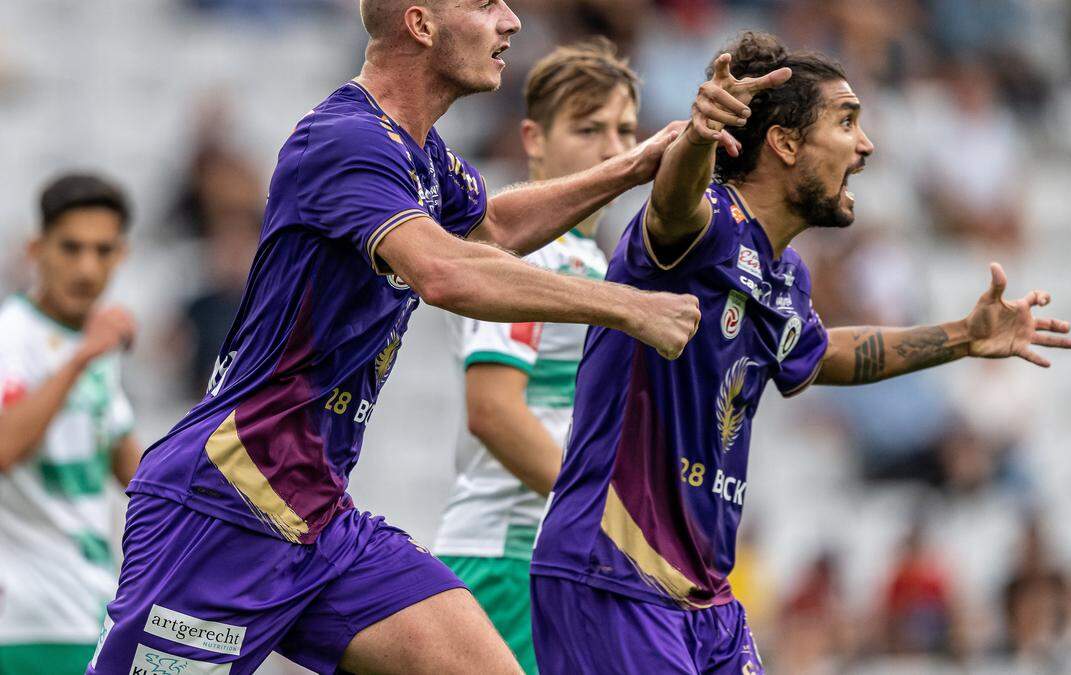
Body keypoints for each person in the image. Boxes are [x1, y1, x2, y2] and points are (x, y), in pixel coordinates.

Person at [89, 1, 718, 673]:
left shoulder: (422, 156)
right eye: (484, 4)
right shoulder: (344, 139)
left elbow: (492, 230)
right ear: (420, 24)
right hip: (223, 506)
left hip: (321, 516)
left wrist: (635, 167)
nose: (510, 21)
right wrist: (624, 307)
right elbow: (444, 269)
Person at [529, 31, 1071, 673]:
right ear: (784, 143)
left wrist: (964, 336)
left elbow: (823, 356)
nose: (866, 146)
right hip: (613, 574)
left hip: (706, 600)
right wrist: (699, 136)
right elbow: (671, 204)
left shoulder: (785, 276)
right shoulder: (701, 225)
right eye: (847, 122)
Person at [431, 38, 640, 674]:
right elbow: (493, 410)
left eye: (627, 129)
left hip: (548, 553)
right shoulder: (528, 259)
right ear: (533, 139)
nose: (614, 148)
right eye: (588, 127)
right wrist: (607, 519)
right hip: (506, 557)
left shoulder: (595, 265)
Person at [0, 173, 140, 675]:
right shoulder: (10, 339)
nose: (87, 267)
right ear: (37, 249)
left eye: (103, 251)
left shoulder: (95, 348)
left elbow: (137, 475)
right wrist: (81, 358)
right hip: (24, 623)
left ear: (120, 255)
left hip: (91, 610)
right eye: (71, 248)